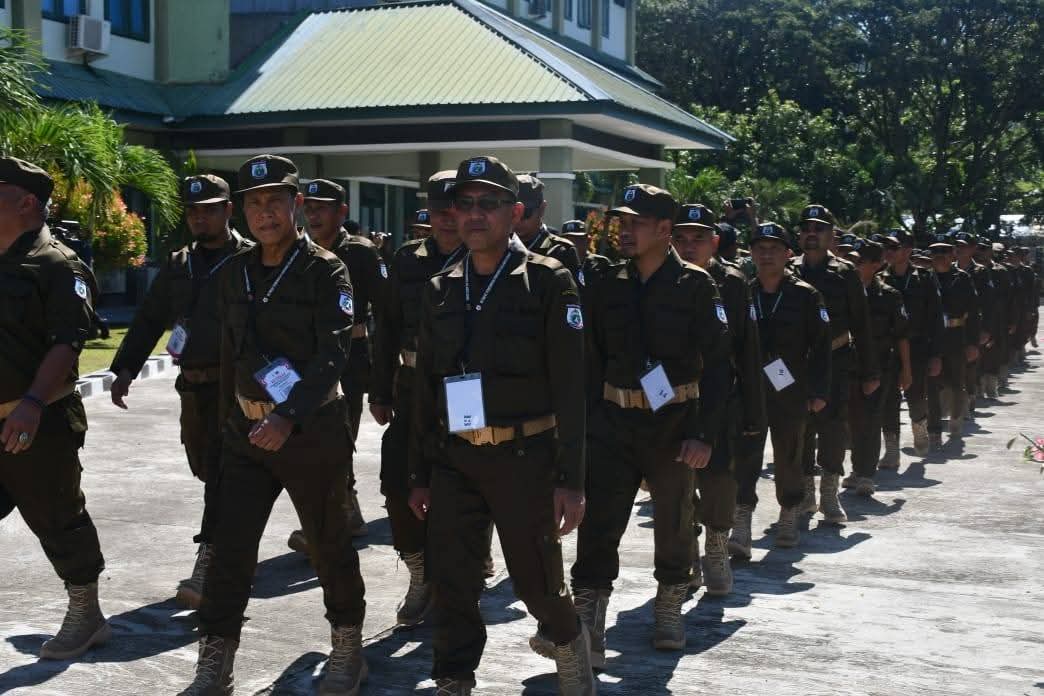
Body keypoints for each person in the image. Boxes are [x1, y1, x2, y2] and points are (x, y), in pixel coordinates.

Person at [178, 155, 367, 696]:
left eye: (275, 201)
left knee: (328, 544)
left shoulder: (326, 269)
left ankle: (347, 646)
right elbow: (231, 354)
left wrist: (288, 414)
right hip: (246, 432)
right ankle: (215, 661)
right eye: (254, 203)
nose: (264, 213)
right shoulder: (234, 270)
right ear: (243, 210)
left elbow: (334, 355)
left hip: (311, 429)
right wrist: (224, 428)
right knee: (230, 547)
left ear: (297, 205)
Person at [408, 156, 595, 695]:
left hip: (524, 458)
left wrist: (572, 480)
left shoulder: (546, 281)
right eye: (463, 204)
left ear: (514, 213)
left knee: (536, 581)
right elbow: (425, 389)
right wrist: (419, 472)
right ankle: (453, 677)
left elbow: (570, 390)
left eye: (488, 203)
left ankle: (566, 640)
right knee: (453, 580)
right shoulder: (441, 287)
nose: (473, 214)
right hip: (454, 458)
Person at [569, 184, 731, 659]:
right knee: (599, 520)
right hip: (614, 420)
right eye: (621, 222)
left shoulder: (697, 286)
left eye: (635, 222)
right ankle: (589, 618)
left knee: (675, 522)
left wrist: (704, 434)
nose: (624, 231)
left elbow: (721, 367)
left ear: (665, 230)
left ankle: (669, 603)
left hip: (674, 424)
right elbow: (590, 358)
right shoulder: (606, 284)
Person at [109, 174, 252, 609]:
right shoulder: (179, 263)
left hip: (238, 390)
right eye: (193, 210)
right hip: (193, 388)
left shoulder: (252, 259)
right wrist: (125, 369)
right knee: (208, 468)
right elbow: (151, 318)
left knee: (228, 477)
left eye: (210, 208)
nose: (200, 217)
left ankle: (210, 561)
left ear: (229, 210)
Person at [0, 155, 110, 660]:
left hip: (37, 421)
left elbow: (68, 343)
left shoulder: (58, 264)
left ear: (26, 202)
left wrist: (31, 402)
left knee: (57, 517)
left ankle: (86, 613)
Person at [370, 170, 462, 627]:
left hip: (464, 394)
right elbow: (384, 327)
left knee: (464, 489)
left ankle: (458, 582)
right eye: (440, 211)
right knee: (396, 486)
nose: (447, 220)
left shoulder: (488, 259)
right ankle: (420, 571)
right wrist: (380, 389)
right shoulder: (406, 260)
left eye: (455, 210)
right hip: (409, 390)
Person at [284, 178, 385, 552]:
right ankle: (349, 514)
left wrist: (381, 376)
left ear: (342, 212)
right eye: (308, 207)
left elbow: (386, 309)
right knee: (316, 442)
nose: (313, 214)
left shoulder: (361, 252)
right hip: (306, 363)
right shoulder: (296, 251)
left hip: (351, 360)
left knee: (337, 441)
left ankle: (327, 528)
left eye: (321, 207)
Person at [671, 203, 765, 593]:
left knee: (720, 479)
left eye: (698, 239)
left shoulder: (734, 282)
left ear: (714, 241)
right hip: (673, 400)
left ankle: (716, 546)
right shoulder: (663, 280)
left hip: (720, 396)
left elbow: (747, 349)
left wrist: (754, 412)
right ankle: (686, 557)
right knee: (676, 485)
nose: (690, 246)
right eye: (682, 238)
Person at [739, 223, 831, 549]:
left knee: (789, 456)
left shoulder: (806, 296)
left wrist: (819, 392)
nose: (766, 255)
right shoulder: (742, 292)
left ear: (787, 254)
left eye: (774, 249)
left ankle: (789, 512)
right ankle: (741, 522)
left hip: (791, 389)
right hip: (748, 389)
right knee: (745, 455)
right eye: (759, 248)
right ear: (750, 254)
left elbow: (822, 348)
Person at [790, 205, 879, 524]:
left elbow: (862, 325)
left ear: (831, 235)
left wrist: (870, 371)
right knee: (798, 430)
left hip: (836, 361)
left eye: (819, 229)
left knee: (832, 428)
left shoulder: (845, 274)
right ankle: (805, 493)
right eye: (806, 229)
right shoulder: (789, 272)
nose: (811, 234)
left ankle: (829, 492)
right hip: (797, 364)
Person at [843, 238, 911, 495]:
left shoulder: (889, 296)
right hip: (847, 365)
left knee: (870, 420)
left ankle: (865, 474)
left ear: (875, 265)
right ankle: (857, 467)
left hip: (880, 366)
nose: (852, 265)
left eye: (858, 262)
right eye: (850, 260)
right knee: (850, 421)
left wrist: (907, 371)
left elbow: (902, 335)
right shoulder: (840, 293)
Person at [879, 229, 943, 459]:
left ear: (907, 251)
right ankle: (892, 449)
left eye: (893, 248)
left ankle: (920, 430)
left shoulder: (924, 278)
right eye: (885, 247)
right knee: (888, 399)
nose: (887, 252)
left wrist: (936, 355)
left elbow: (936, 317)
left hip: (917, 346)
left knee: (915, 395)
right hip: (887, 347)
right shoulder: (879, 278)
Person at [924, 234, 980, 449]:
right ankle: (934, 429)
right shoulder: (925, 278)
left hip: (956, 337)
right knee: (931, 386)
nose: (940, 256)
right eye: (935, 252)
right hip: (931, 338)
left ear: (952, 254)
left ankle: (956, 419)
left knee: (957, 383)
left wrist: (973, 342)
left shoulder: (962, 278)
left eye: (945, 251)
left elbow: (974, 312)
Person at [953, 231, 990, 418]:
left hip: (973, 324)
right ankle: (957, 401)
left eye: (964, 246)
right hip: (951, 326)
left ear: (973, 249)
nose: (959, 249)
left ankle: (969, 395)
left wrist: (986, 329)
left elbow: (988, 302)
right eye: (957, 245)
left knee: (970, 363)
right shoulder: (948, 270)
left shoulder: (981, 272)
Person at [514, 174, 581, 276]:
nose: (518, 220)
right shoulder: (498, 246)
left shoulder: (561, 251)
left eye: (525, 213)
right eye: (513, 212)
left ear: (542, 209)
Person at [973, 240, 1016, 398]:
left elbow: (1011, 298)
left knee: (993, 352)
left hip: (997, 319)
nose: (980, 252)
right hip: (975, 319)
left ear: (990, 251)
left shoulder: (1000, 271)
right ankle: (976, 389)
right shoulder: (973, 270)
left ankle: (991, 387)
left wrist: (1012, 320)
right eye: (978, 249)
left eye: (984, 249)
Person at [561, 218, 612, 296]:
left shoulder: (601, 264)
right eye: (568, 241)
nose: (572, 244)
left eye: (577, 240)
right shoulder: (558, 265)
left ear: (587, 241)